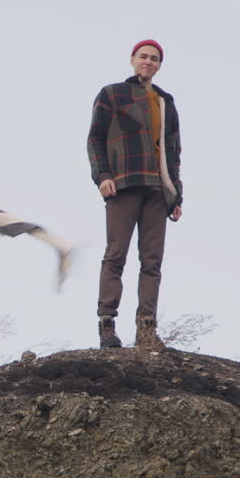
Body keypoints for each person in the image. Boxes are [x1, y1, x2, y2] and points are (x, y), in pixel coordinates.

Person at [86, 39, 184, 350]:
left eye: (154, 59)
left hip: (158, 191)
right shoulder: (113, 94)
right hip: (124, 183)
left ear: (159, 65)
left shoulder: (165, 102)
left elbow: (173, 150)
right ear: (132, 60)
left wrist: (176, 195)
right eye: (143, 56)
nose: (149, 62)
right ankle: (107, 324)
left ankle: (146, 331)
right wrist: (102, 176)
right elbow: (95, 138)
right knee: (115, 255)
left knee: (152, 262)